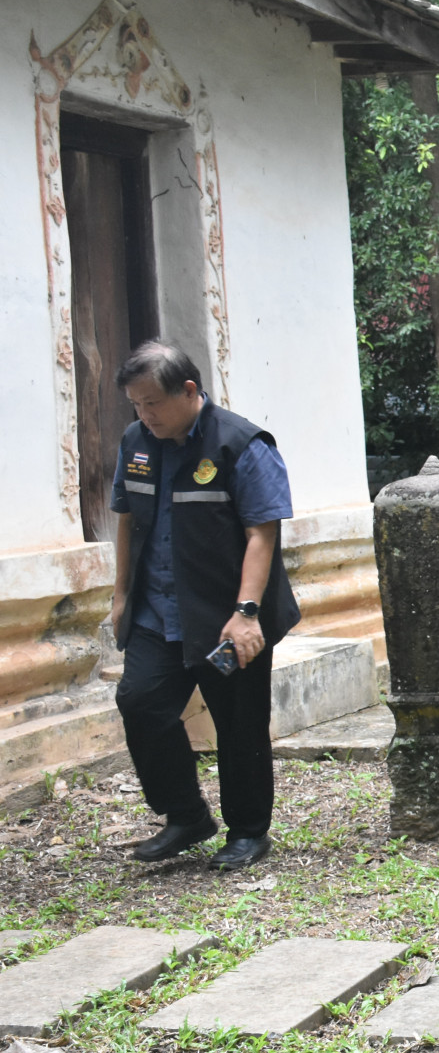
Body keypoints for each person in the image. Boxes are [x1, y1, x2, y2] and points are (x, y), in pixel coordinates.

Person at [110, 341, 299, 870]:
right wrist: (121, 594)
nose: (144, 415)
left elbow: (262, 534)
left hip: (226, 617)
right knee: (141, 703)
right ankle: (186, 815)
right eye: (136, 405)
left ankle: (248, 832)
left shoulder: (241, 444)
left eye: (152, 403)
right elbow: (127, 518)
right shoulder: (136, 442)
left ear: (189, 390)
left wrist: (247, 612)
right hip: (156, 611)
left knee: (238, 723)